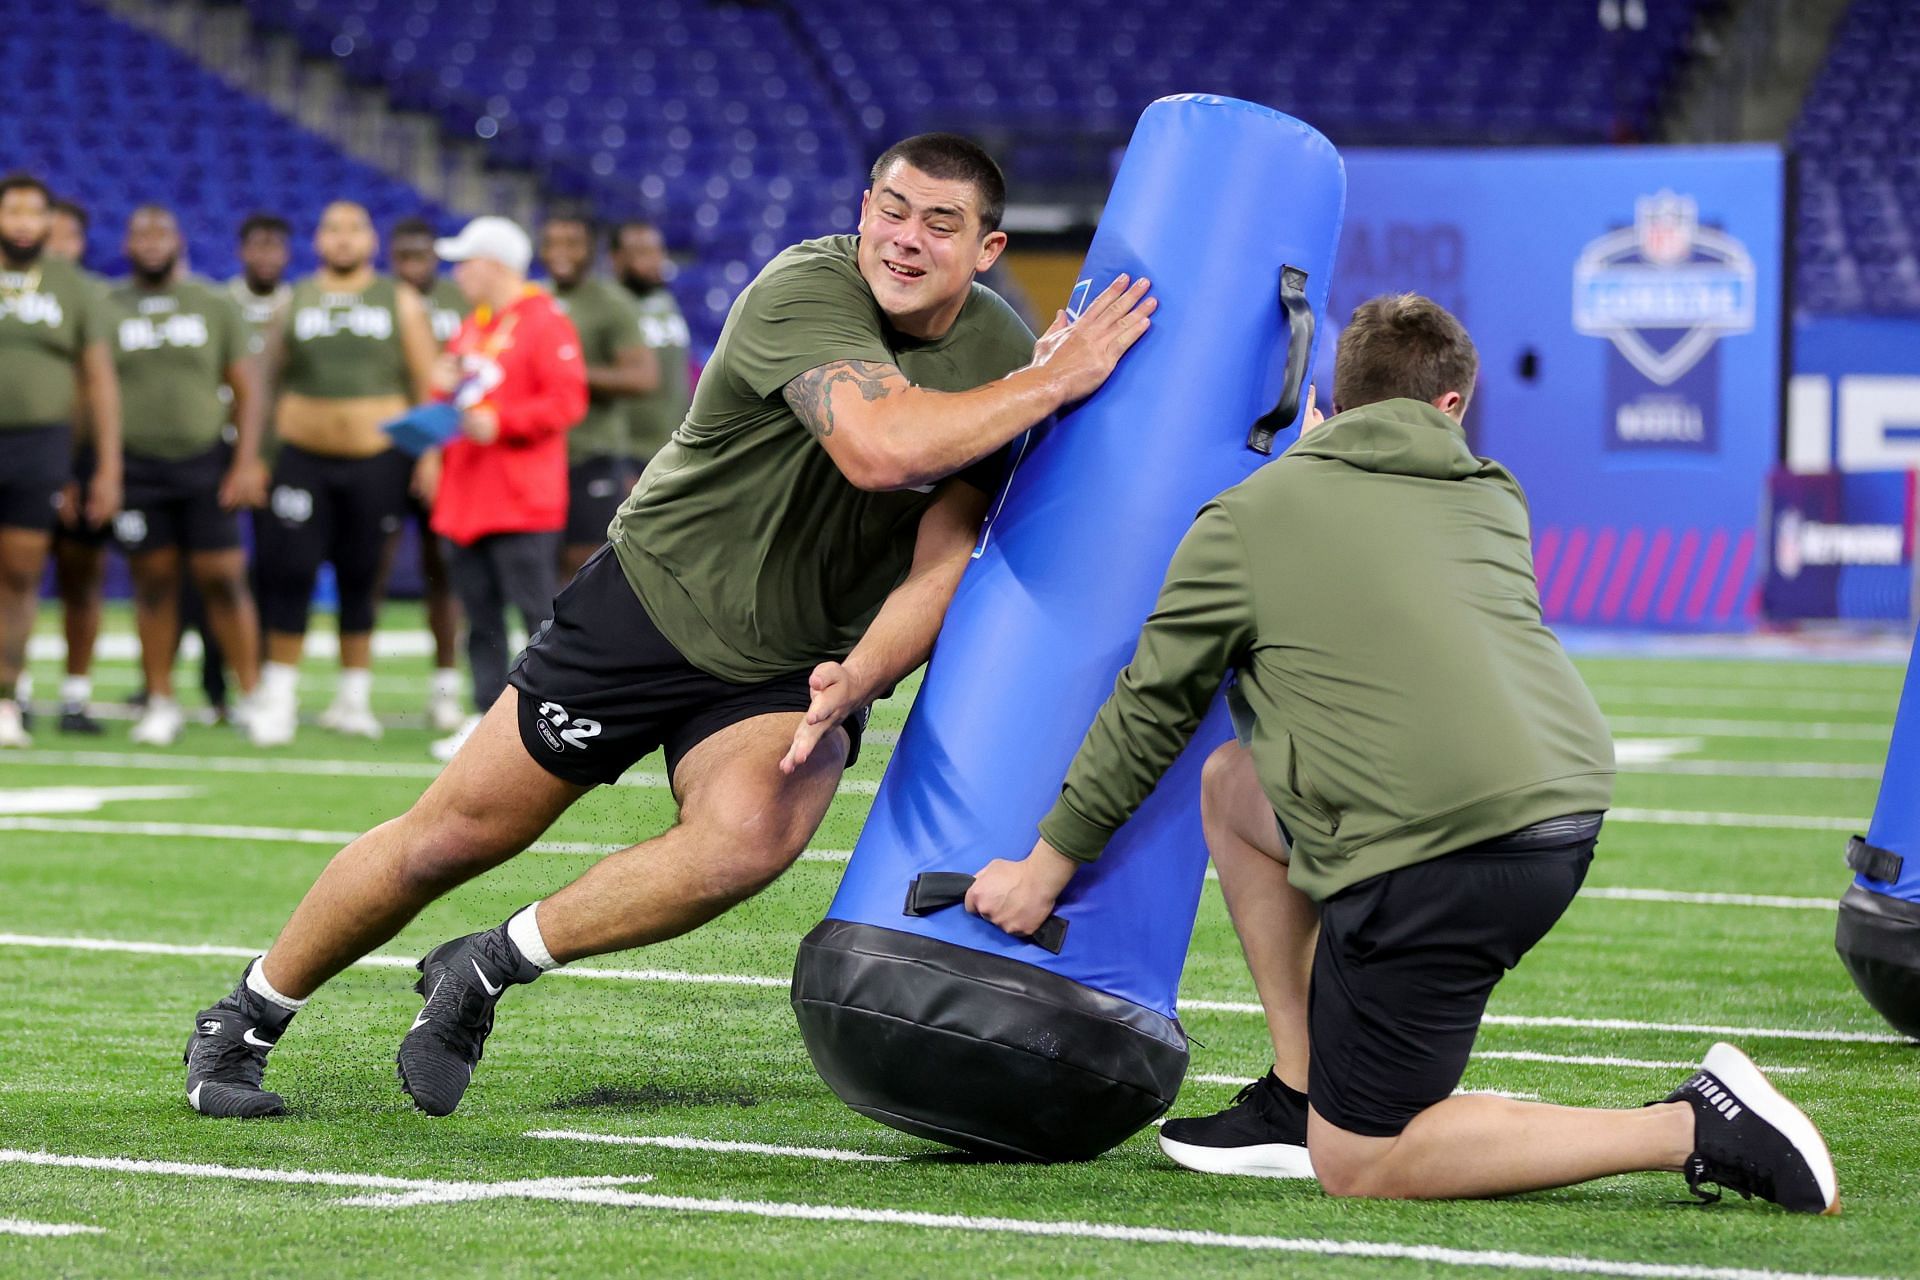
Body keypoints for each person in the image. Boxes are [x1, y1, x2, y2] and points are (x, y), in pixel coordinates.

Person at [182, 132, 1155, 1119]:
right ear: (863, 208)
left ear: (987, 250)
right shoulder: (807, 287)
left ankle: (486, 964)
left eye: (940, 224)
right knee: (454, 836)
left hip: (791, 657)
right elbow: (877, 447)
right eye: (893, 210)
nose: (906, 239)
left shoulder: (994, 351)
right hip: (653, 601)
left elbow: (948, 554)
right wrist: (1053, 379)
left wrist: (861, 674)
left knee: (750, 836)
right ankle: (247, 1013)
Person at [964, 295, 1839, 1215]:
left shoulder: (1253, 514)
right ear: (1451, 407)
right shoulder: (1493, 493)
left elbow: (1152, 703)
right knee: (1232, 787)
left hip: (1443, 850)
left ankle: (1690, 1127)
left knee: (1364, 1163)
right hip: (1560, 808)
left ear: (1335, 400)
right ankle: (1300, 1096)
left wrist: (1045, 863)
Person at [245, 201, 437, 746]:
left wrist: (429, 454)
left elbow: (427, 384)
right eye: (333, 228)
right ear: (318, 240)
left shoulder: (399, 300)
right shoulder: (293, 299)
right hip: (301, 457)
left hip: (378, 458)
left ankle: (353, 699)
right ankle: (278, 698)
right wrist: (257, 457)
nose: (344, 238)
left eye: (354, 228)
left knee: (362, 574)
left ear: (371, 240)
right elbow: (265, 384)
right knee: (291, 571)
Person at [424, 215, 586, 761]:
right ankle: (483, 716)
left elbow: (567, 402)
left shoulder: (544, 321)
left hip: (519, 499)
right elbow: (455, 399)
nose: (458, 272)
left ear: (494, 265)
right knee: (481, 617)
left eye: (465, 262)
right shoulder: (474, 323)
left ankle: (551, 715)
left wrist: (504, 421)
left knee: (535, 614)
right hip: (467, 495)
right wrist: (439, 390)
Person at [106, 206, 267, 745]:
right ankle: (159, 701)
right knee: (152, 585)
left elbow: (247, 389)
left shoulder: (212, 303)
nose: (151, 242)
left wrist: (246, 462)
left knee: (223, 577)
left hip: (205, 463)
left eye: (161, 233)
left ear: (179, 240)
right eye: (140, 233)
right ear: (127, 244)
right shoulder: (108, 306)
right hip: (136, 468)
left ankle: (252, 699)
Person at [0, 173, 121, 748]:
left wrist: (108, 467)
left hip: (39, 446)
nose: (21, 222)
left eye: (32, 213)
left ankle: (5, 699)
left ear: (50, 223)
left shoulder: (73, 286)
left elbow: (99, 382)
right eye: (11, 211)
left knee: (21, 574)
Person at [386, 214, 469, 734]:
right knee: (367, 563)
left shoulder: (462, 305)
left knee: (446, 568)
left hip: (447, 445)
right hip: (385, 444)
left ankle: (446, 686)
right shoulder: (377, 301)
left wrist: (434, 448)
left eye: (422, 255)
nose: (413, 265)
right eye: (404, 256)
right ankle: (354, 689)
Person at [539, 212, 651, 583]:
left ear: (591, 251)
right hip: (542, 452)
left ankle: (579, 641)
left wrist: (570, 374)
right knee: (541, 565)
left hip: (593, 453)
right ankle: (547, 641)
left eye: (572, 243)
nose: (561, 253)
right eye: (553, 243)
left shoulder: (611, 302)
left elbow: (643, 376)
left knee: (584, 565)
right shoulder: (534, 299)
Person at [44, 197, 112, 733]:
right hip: (25, 450)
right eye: (52, 234)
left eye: (69, 236)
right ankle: (11, 691)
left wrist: (95, 468)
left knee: (82, 576)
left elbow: (103, 387)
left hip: (84, 454)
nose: (58, 245)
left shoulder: (94, 299)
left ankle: (75, 693)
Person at [609, 217, 692, 489]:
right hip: (629, 452)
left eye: (658, 252)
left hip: (673, 446)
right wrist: (620, 459)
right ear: (617, 259)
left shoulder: (665, 300)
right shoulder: (609, 307)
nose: (655, 261)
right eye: (642, 253)